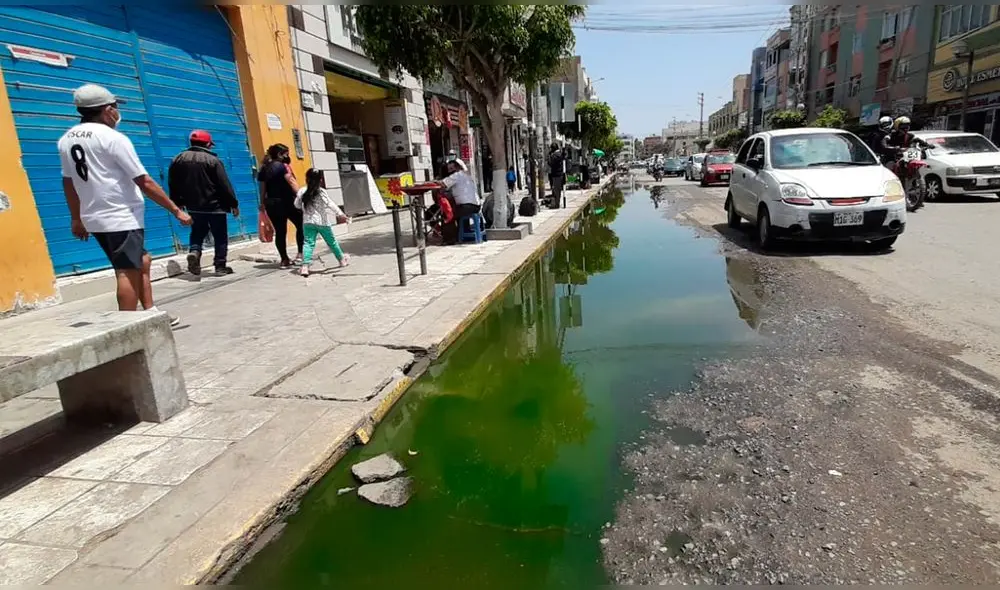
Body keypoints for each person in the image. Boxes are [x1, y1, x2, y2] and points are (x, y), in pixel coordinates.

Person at [58, 84, 192, 326]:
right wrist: (175, 210)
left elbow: (68, 183)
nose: (117, 113)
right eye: (115, 108)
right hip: (119, 216)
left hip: (96, 217)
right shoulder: (113, 138)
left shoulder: (66, 140)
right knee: (126, 271)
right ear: (108, 110)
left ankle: (150, 312)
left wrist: (76, 218)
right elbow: (144, 181)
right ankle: (128, 328)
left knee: (142, 260)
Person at [168, 130, 239, 276]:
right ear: (207, 144)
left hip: (193, 207)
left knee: (197, 232)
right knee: (220, 236)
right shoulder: (213, 160)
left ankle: (195, 251)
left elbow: (173, 183)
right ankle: (220, 266)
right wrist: (233, 204)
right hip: (215, 207)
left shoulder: (177, 159)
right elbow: (224, 184)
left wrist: (178, 203)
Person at [294, 169, 349, 277]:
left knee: (308, 244)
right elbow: (331, 204)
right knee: (332, 242)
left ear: (307, 179)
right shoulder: (321, 192)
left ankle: (305, 267)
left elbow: (296, 205)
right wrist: (341, 214)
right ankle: (342, 260)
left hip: (308, 222)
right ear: (320, 180)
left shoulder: (302, 191)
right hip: (323, 222)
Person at [257, 144, 303, 267]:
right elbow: (291, 182)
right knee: (301, 224)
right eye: (286, 154)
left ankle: (284, 260)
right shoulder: (283, 167)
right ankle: (300, 254)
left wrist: (262, 204)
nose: (287, 156)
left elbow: (262, 189)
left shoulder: (263, 169)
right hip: (287, 202)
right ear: (279, 154)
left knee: (280, 232)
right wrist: (301, 196)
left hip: (272, 204)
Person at [436, 159, 481, 244]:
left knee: (447, 213)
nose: (450, 171)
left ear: (457, 168)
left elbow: (442, 184)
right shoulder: (467, 175)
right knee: (456, 210)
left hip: (467, 206)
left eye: (451, 169)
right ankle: (463, 233)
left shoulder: (456, 176)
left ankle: (450, 239)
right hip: (476, 206)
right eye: (448, 169)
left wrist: (435, 181)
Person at [548, 143, 566, 209]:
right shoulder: (560, 154)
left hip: (556, 175)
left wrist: (549, 155)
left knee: (556, 190)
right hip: (560, 174)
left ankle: (556, 204)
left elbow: (551, 163)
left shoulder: (555, 155)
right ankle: (556, 203)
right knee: (558, 190)